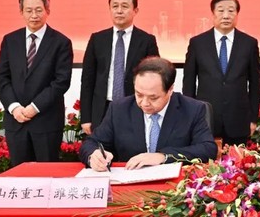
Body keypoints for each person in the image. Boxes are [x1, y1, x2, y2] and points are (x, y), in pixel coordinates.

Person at [79, 56, 218, 170]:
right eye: (139, 94)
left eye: (153, 98)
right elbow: (91, 143)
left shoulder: (192, 109)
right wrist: (94, 155)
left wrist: (164, 156)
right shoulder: (119, 109)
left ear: (170, 90)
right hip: (130, 184)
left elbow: (207, 149)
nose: (144, 103)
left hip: (173, 187)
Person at [0, 0, 73, 166]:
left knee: (47, 173)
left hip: (46, 121)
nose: (34, 15)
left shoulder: (61, 42)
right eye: (29, 10)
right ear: (21, 12)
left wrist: (34, 107)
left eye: (39, 10)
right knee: (19, 173)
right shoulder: (10, 40)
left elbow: (61, 81)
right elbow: (3, 78)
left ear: (47, 11)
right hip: (16, 121)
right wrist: (14, 107)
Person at [182, 0, 260, 145]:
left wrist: (252, 119)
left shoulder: (249, 43)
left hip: (238, 120)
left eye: (231, 11)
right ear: (213, 13)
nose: (226, 15)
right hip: (205, 118)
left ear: (237, 14)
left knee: (238, 159)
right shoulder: (197, 43)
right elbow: (189, 83)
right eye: (221, 10)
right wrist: (190, 116)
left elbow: (255, 85)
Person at [80, 0, 159, 135]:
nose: (119, 11)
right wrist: (86, 117)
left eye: (125, 6)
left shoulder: (146, 40)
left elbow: (154, 78)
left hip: (135, 107)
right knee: (101, 148)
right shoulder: (97, 39)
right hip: (102, 108)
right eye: (115, 6)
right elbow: (87, 80)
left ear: (135, 10)